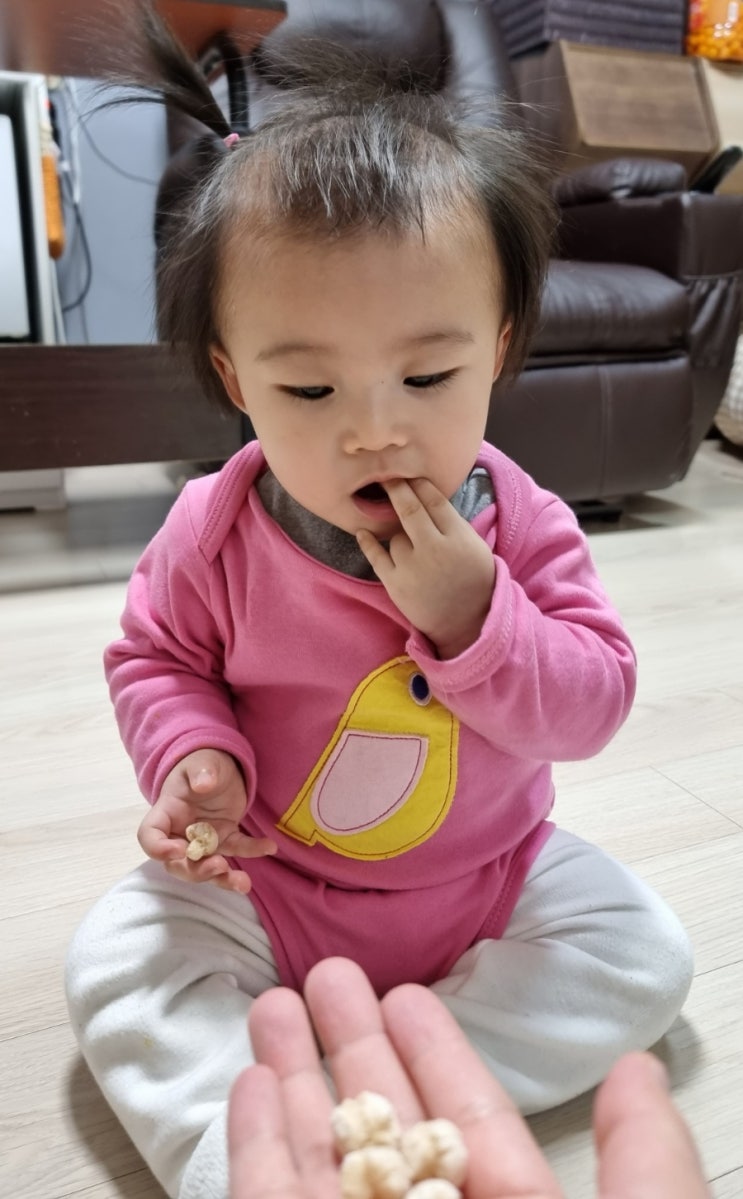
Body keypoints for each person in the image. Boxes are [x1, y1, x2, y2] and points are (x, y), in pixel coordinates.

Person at [65, 9, 694, 1199]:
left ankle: (386, 1084)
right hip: (270, 882)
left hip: (488, 878)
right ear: (233, 377)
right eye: (308, 388)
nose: (373, 427)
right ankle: (243, 1149)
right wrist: (193, 758)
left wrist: (478, 619)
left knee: (646, 956)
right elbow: (156, 659)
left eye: (427, 374)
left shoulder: (523, 522)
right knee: (114, 963)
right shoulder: (213, 527)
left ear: (496, 348)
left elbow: (593, 702)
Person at [228, 957, 710, 1199]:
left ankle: (296, 1108)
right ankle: (252, 1126)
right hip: (273, 899)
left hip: (478, 889)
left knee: (654, 963)